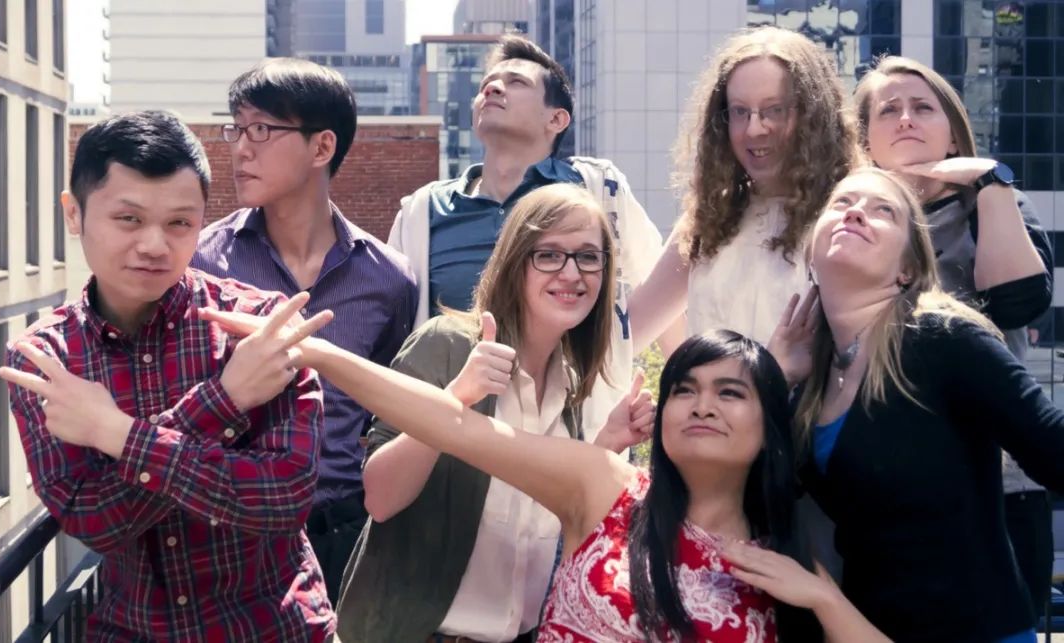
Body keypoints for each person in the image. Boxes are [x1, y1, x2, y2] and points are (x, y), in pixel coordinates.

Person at [199, 300, 901, 642]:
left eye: (730, 392)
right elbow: (454, 427)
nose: (701, 404)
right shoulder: (604, 486)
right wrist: (319, 354)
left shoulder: (784, 555)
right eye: (684, 388)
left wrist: (824, 601)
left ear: (769, 426)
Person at [0, 111, 337, 641]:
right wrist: (224, 400)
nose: (155, 244)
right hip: (139, 629)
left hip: (275, 626)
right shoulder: (46, 358)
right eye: (128, 219)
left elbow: (284, 498)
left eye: (180, 223)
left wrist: (116, 434)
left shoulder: (260, 324)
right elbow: (93, 523)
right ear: (74, 213)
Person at [334, 183, 654, 641]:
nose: (571, 273)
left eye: (588, 257)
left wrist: (606, 446)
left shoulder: (571, 386)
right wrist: (456, 400)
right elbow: (380, 498)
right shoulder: (447, 345)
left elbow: (564, 523)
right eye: (549, 255)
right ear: (515, 262)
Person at [779, 167, 1064, 642]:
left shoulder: (944, 338)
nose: (856, 212)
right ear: (812, 251)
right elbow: (756, 493)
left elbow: (1054, 449)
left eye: (883, 210)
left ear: (907, 270)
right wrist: (775, 374)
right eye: (842, 202)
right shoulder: (809, 384)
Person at [191, 58, 418, 604]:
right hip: (230, 531)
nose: (240, 149)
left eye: (261, 129)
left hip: (344, 534)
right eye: (236, 129)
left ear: (322, 147)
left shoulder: (389, 278)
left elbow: (383, 405)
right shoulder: (203, 262)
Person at [388, 33, 674, 440]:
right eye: (487, 84)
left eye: (516, 82)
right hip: (456, 436)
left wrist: (688, 386)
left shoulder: (597, 188)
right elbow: (396, 333)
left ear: (556, 120)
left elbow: (662, 283)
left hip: (571, 438)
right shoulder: (423, 211)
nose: (492, 88)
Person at [853, 55, 1055, 621]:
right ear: (864, 139)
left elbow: (1019, 303)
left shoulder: (993, 202)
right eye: (888, 110)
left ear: (953, 130)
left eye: (923, 107)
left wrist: (989, 180)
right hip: (883, 482)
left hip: (1000, 485)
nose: (906, 118)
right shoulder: (845, 219)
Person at [629, 25, 859, 350]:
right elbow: (626, 334)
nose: (754, 129)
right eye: (739, 111)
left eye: (774, 110)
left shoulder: (850, 216)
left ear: (814, 115)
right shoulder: (711, 218)